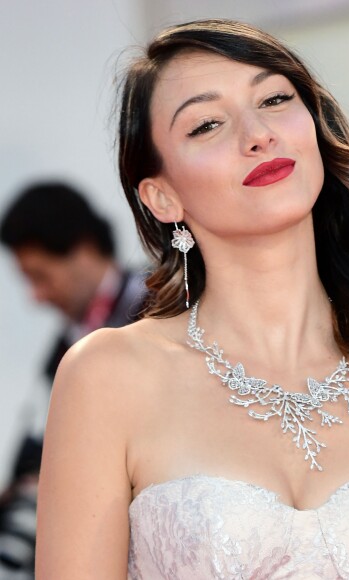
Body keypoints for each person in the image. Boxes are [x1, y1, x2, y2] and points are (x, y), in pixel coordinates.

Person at [36, 20, 349, 579]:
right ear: (162, 197)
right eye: (207, 124)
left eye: (275, 98)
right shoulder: (107, 376)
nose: (257, 133)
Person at [0, 182, 146, 575]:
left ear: (82, 249)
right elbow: (35, 448)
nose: (36, 296)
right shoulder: (63, 347)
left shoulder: (158, 312)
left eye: (40, 276)